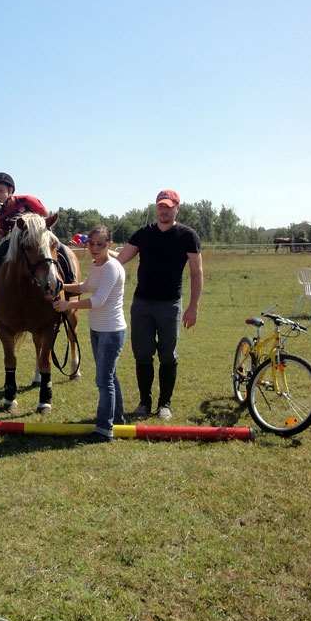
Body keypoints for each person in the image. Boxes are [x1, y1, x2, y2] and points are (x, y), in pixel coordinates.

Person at [115, 189, 202, 421]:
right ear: (156, 208)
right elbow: (120, 259)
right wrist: (99, 252)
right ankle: (144, 403)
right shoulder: (144, 234)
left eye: (168, 206)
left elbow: (196, 272)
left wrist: (193, 306)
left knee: (167, 355)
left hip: (170, 305)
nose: (163, 211)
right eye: (160, 206)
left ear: (177, 208)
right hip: (142, 304)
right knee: (142, 354)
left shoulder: (187, 235)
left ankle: (165, 404)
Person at [53, 226, 126, 443]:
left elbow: (99, 300)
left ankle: (105, 430)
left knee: (104, 380)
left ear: (109, 245)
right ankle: (117, 419)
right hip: (98, 330)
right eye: (91, 244)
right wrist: (60, 285)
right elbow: (86, 286)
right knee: (109, 377)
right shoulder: (96, 265)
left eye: (100, 245)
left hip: (111, 332)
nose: (94, 248)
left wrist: (67, 304)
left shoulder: (112, 268)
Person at [0, 172, 75, 300]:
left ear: (10, 190)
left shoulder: (27, 200)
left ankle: (71, 280)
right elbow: (5, 230)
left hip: (41, 235)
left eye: (1, 190)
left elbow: (45, 214)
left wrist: (39, 230)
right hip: (18, 240)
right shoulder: (0, 214)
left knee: (62, 249)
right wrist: (1, 233)